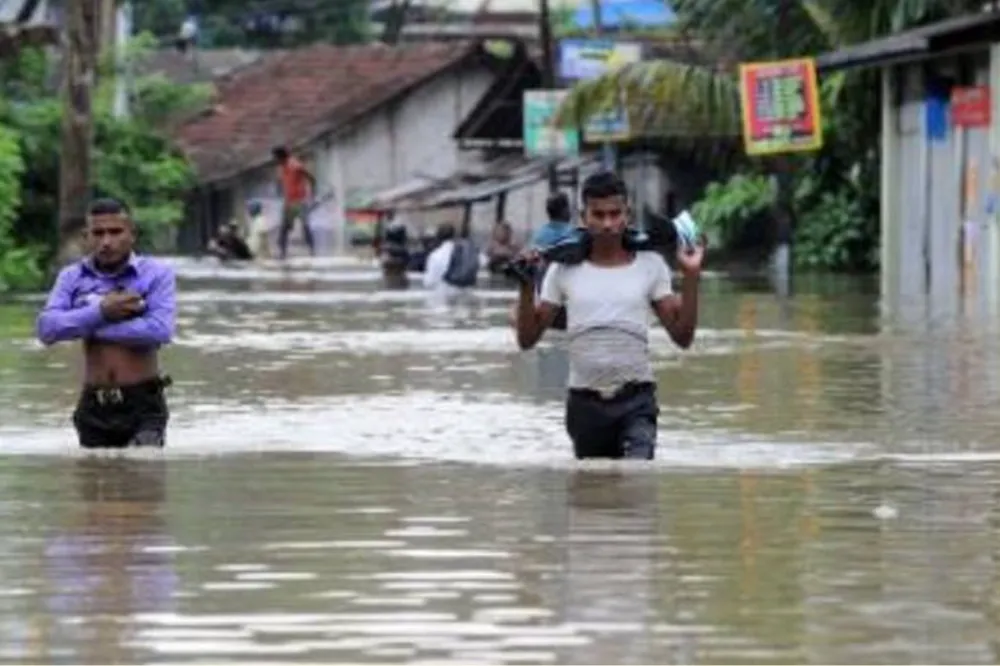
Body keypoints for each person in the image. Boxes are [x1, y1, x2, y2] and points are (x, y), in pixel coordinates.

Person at [514, 171, 704, 461]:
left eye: (615, 214)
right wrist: (526, 287)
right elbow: (527, 339)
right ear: (583, 217)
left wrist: (690, 276)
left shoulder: (650, 265)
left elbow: (683, 337)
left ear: (627, 215)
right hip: (584, 404)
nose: (607, 224)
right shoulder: (562, 269)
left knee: (636, 477)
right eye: (598, 215)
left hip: (637, 401)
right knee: (593, 495)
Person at [35, 197, 176, 449]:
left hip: (142, 405)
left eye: (115, 232)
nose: (106, 241)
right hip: (93, 406)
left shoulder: (156, 274)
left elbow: (160, 330)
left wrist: (88, 323)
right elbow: (47, 329)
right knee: (93, 482)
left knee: (142, 480)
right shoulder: (72, 277)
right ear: (86, 236)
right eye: (98, 233)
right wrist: (101, 310)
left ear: (132, 234)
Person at [272, 145, 317, 259]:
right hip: (289, 201)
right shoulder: (282, 167)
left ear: (281, 157)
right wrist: (279, 189)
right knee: (284, 227)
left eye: (276, 158)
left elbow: (311, 178)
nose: (275, 161)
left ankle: (312, 251)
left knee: (305, 226)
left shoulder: (295, 165)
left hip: (300, 201)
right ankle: (282, 252)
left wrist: (312, 194)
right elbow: (281, 181)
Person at [422, 222, 480, 293]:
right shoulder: (464, 252)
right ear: (454, 236)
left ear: (438, 237)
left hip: (443, 294)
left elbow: (429, 282)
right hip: (466, 292)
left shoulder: (436, 255)